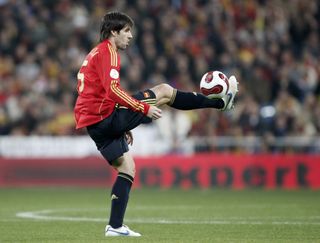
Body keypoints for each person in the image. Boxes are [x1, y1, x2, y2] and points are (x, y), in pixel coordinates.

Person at [74, 11, 238, 237]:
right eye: (127, 31)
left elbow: (97, 92)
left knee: (126, 168)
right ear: (114, 32)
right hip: (105, 117)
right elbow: (112, 90)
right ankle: (220, 104)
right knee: (164, 91)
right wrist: (143, 108)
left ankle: (115, 226)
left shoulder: (94, 53)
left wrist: (125, 125)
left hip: (94, 123)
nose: (131, 36)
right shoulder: (109, 52)